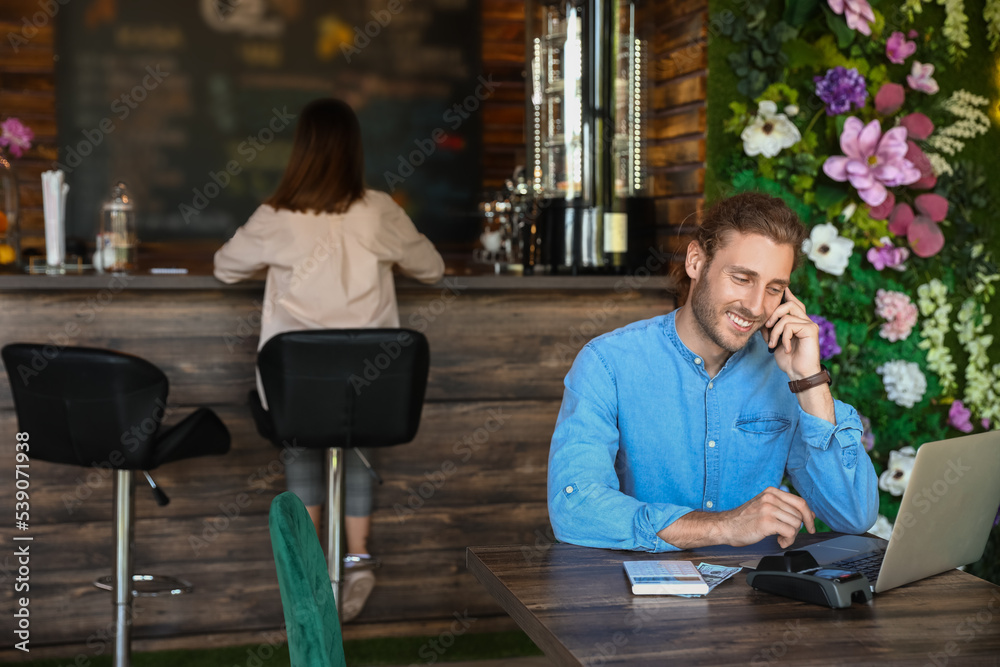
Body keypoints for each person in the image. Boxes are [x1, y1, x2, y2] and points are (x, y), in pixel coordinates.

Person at [213, 98, 445, 619]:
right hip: (375, 388)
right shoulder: (380, 209)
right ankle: (359, 562)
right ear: (354, 152)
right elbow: (432, 268)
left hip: (298, 388)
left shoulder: (276, 216)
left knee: (302, 451)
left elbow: (225, 269)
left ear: (300, 152)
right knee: (358, 450)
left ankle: (312, 571)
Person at [547, 191, 878, 552]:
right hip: (641, 598)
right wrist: (725, 527)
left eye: (774, 289)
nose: (755, 306)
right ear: (695, 261)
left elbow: (854, 516)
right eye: (741, 278)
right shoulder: (608, 363)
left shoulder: (787, 374)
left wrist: (811, 382)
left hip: (758, 599)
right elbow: (575, 506)